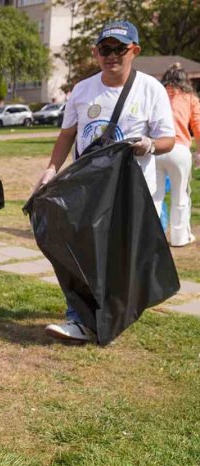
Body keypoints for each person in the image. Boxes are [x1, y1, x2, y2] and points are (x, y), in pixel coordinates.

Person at [34, 21, 175, 342]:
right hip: (88, 192)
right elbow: (67, 134)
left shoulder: (150, 89)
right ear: (96, 52)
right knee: (79, 252)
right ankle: (80, 318)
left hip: (131, 193)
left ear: (134, 51)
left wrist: (149, 145)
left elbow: (170, 139)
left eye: (119, 49)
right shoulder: (83, 90)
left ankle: (110, 312)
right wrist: (51, 169)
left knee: (120, 260)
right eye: (104, 49)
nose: (111, 56)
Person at [155, 63, 200, 247]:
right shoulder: (190, 98)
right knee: (181, 195)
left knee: (154, 195)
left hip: (156, 147)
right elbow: (198, 124)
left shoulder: (158, 95)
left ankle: (152, 237)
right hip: (179, 149)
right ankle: (179, 238)